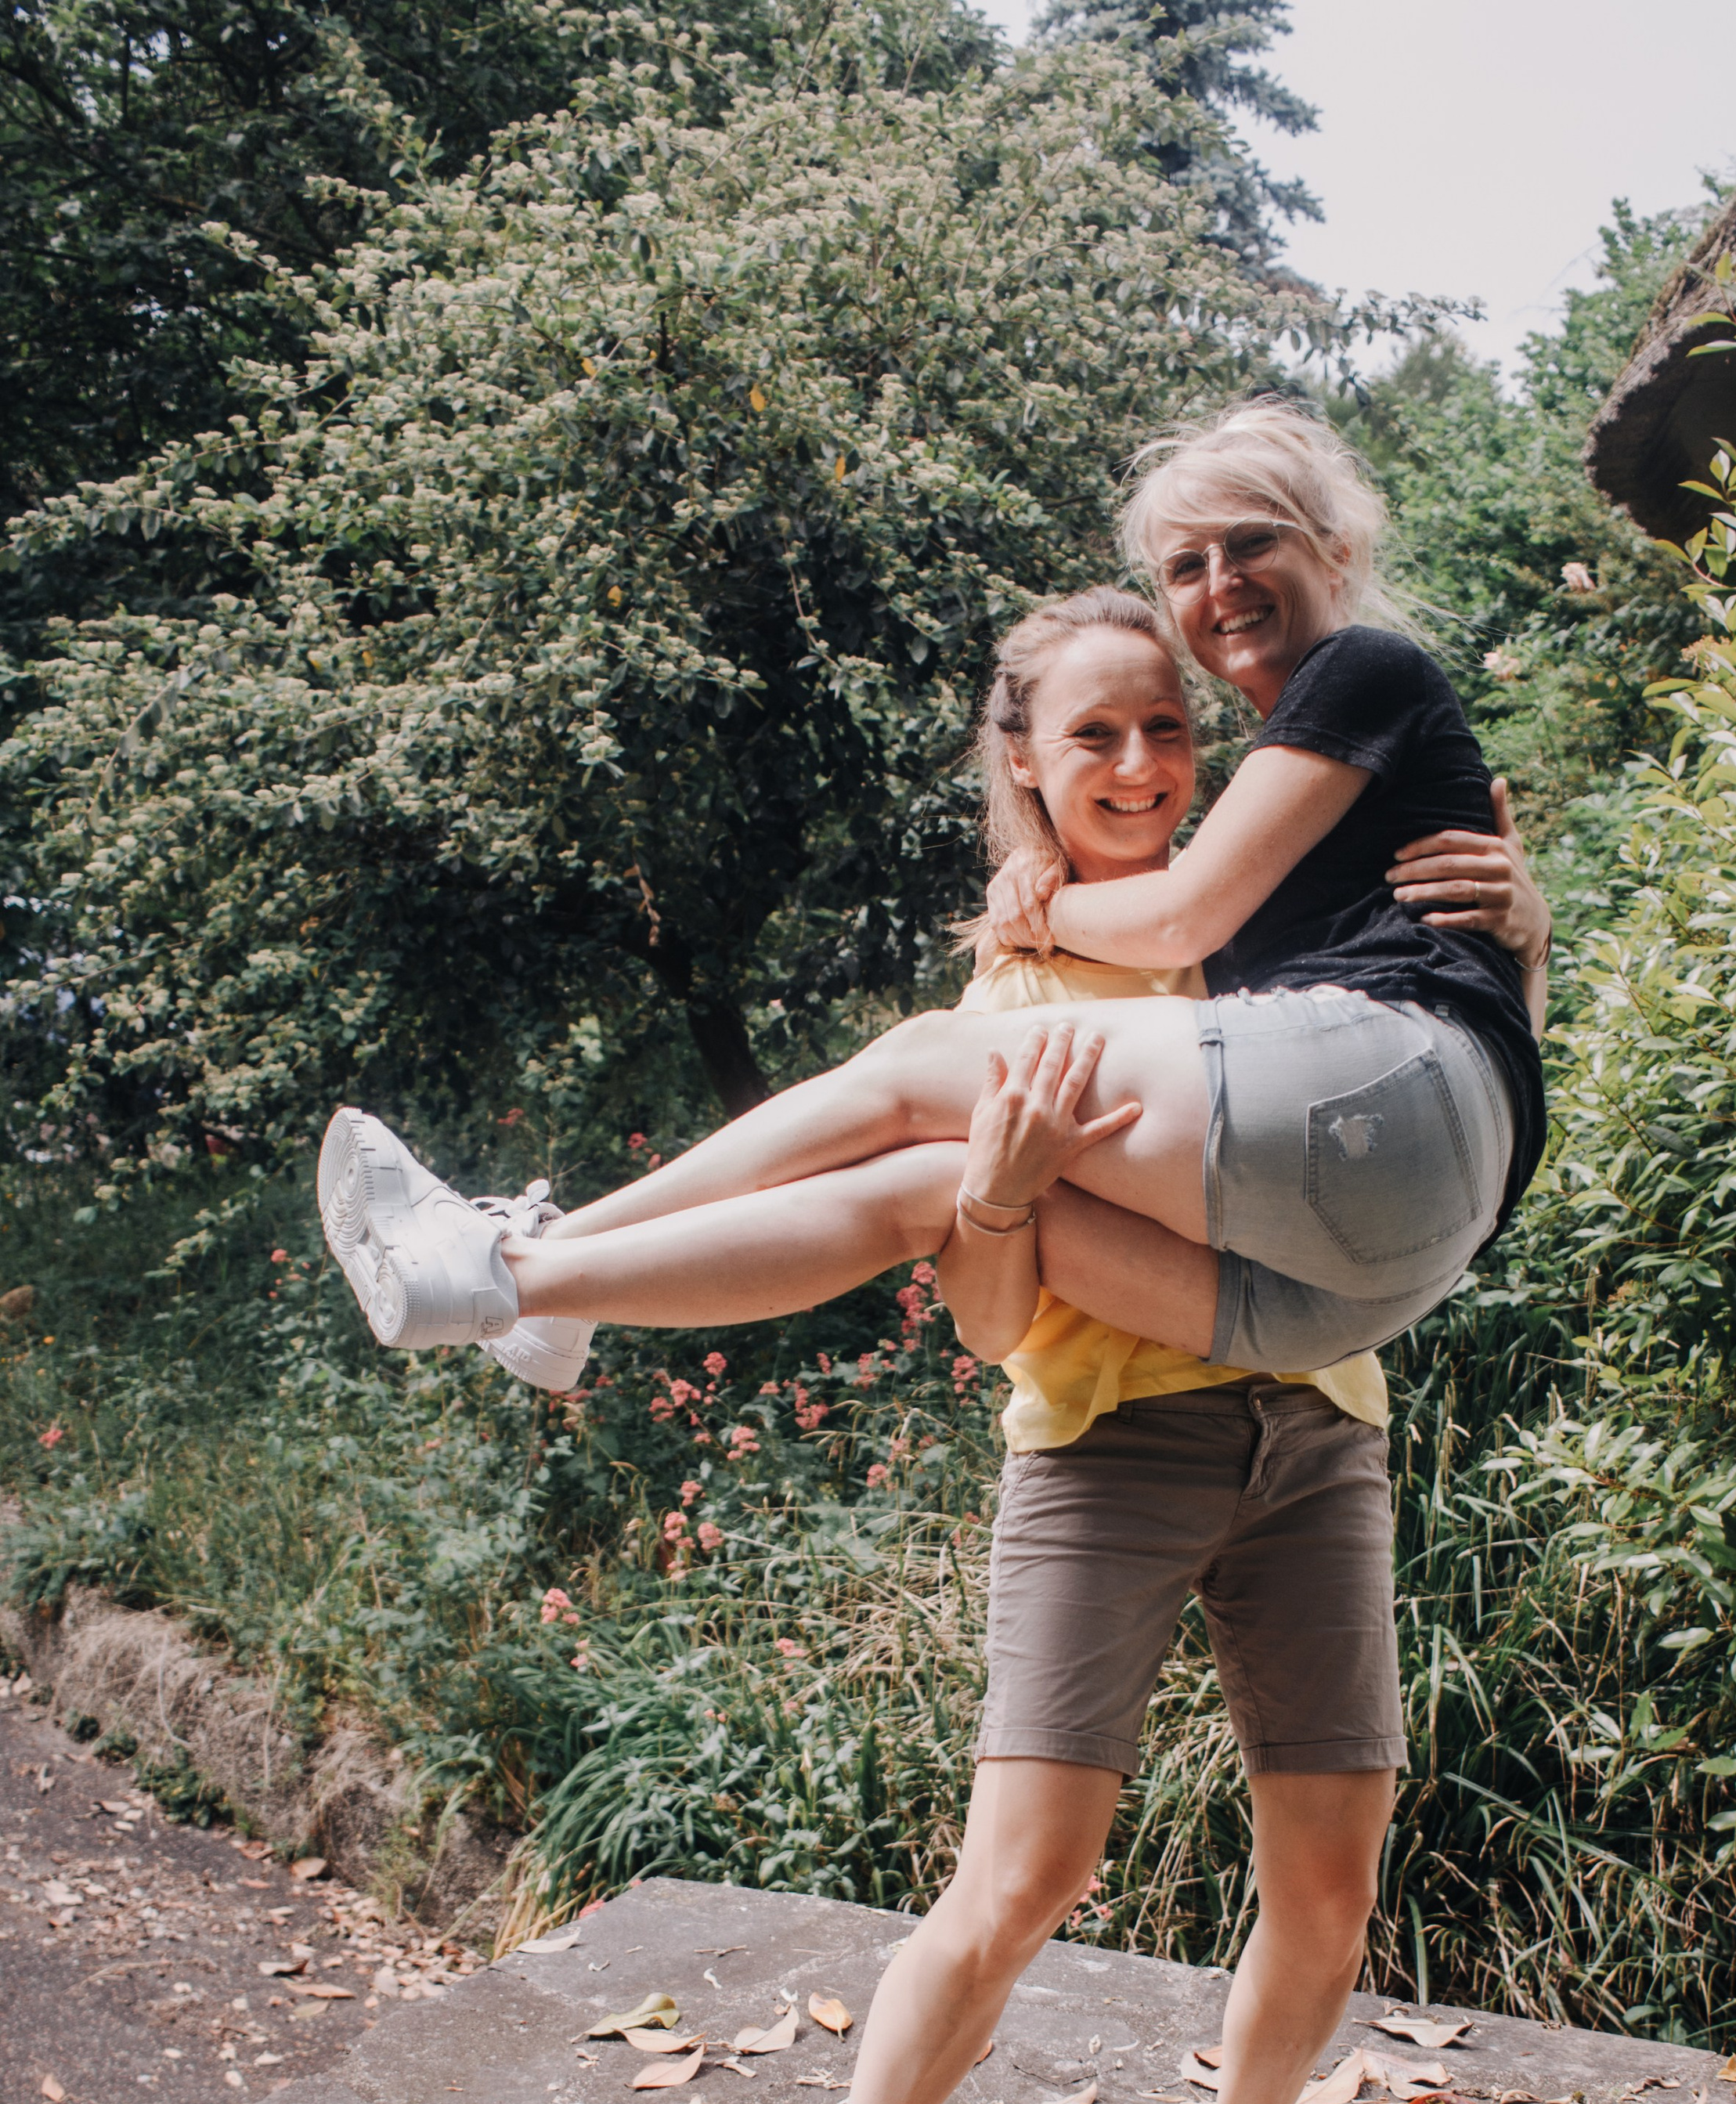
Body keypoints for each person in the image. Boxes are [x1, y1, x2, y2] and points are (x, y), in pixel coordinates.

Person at [746, 576, 1550, 2104]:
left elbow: (1460, 1085)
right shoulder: (1016, 981)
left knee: (1331, 1877)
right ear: (1025, 764)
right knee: (1021, 1878)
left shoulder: (1282, 914)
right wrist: (995, 1193)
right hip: (1106, 1447)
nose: (1136, 763)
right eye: (1093, 734)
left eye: (1168, 726)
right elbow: (985, 1325)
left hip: (1317, 1430)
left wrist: (1529, 931)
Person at [317, 399, 1547, 1401]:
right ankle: (534, 1294)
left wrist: (1041, 909)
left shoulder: (1362, 665)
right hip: (1376, 1271)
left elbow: (1182, 919)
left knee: (915, 1065)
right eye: (1188, 563)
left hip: (1400, 1118)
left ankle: (526, 1239)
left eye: (1252, 542)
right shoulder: (1306, 796)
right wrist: (1529, 952)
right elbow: (1483, 1020)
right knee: (928, 1186)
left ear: (1337, 550)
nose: (1219, 579)